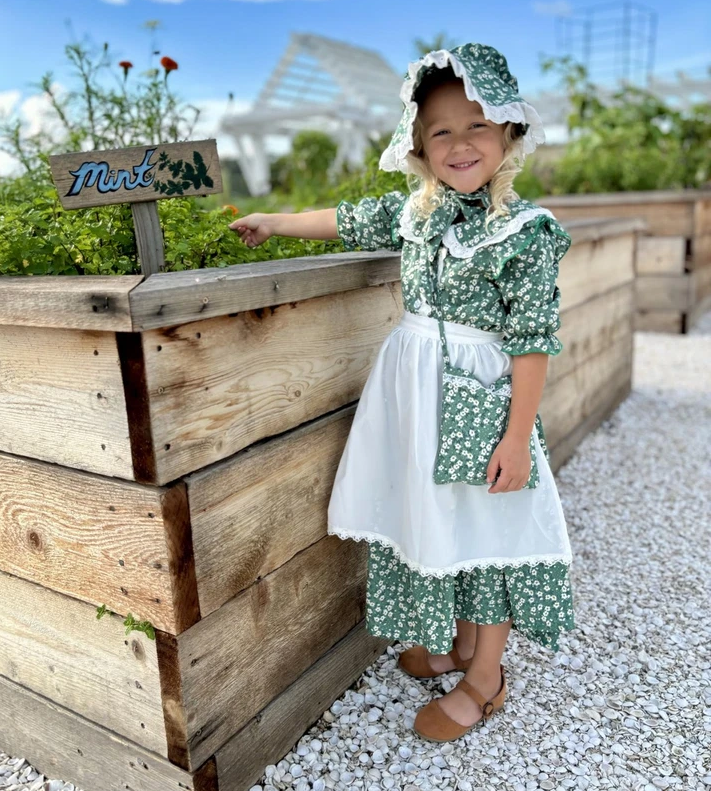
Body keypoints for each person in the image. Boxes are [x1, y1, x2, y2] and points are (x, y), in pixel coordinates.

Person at [229, 42, 575, 743]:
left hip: (481, 405)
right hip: (416, 402)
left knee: (489, 529)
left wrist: (515, 438)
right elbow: (341, 219)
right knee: (441, 520)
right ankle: (462, 648)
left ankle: (486, 680)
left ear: (507, 131)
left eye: (476, 125)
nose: (459, 143)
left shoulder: (524, 232)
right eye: (440, 130)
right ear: (417, 145)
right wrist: (274, 223)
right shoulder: (416, 213)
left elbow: (533, 341)